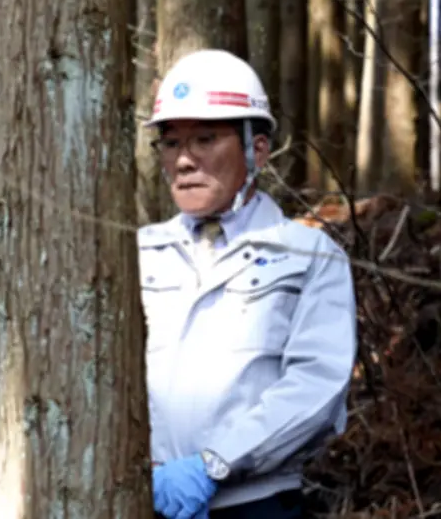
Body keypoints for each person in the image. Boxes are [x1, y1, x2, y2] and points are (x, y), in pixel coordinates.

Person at [138, 49, 358, 519]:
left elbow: (315, 388)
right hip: (145, 501)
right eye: (172, 143)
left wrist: (213, 465)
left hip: (257, 505)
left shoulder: (308, 255)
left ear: (257, 149)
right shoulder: (138, 252)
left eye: (204, 139)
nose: (183, 160)